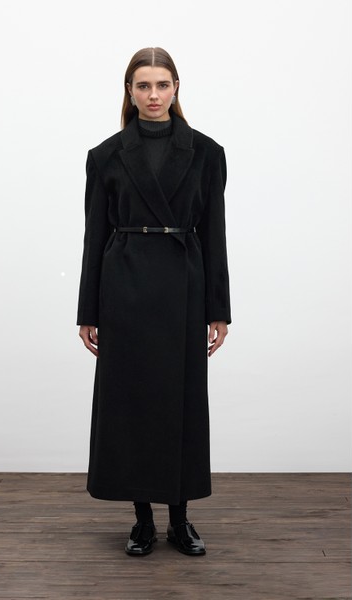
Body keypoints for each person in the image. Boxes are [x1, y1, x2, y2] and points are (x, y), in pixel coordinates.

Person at [77, 47, 231, 557]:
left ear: (176, 88)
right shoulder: (105, 155)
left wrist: (218, 308)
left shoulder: (206, 152)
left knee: (181, 402)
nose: (153, 95)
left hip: (183, 288)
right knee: (132, 404)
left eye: (162, 84)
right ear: (129, 91)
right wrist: (88, 312)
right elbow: (94, 237)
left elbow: (214, 234)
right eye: (143, 85)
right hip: (123, 289)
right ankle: (142, 519)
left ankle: (180, 519)